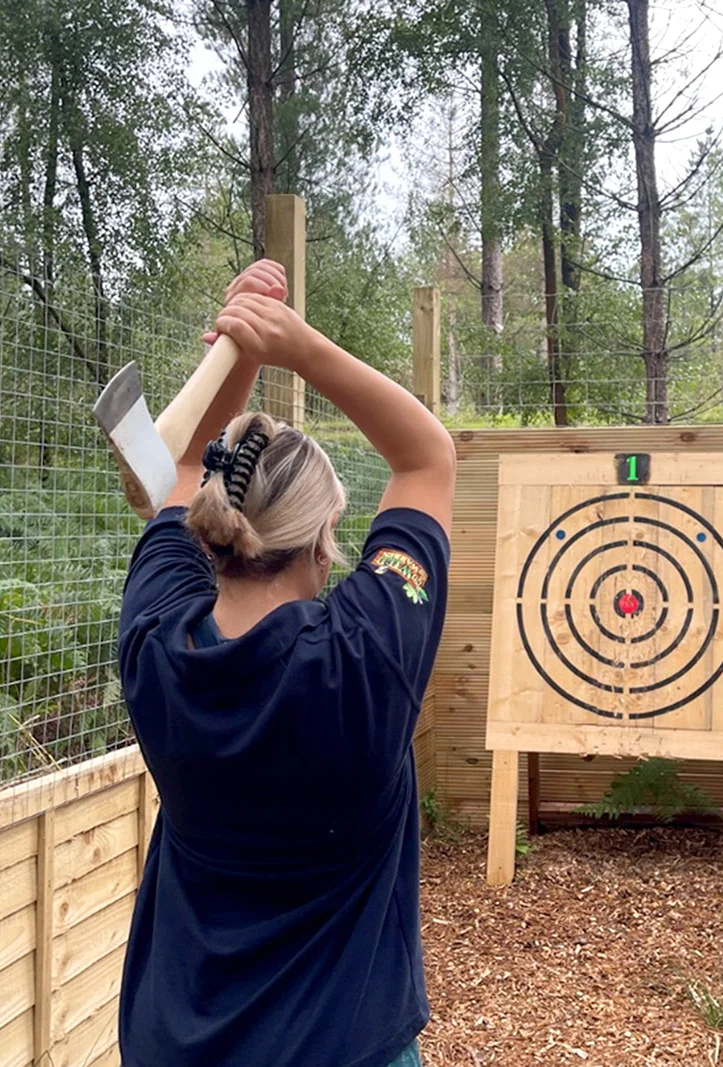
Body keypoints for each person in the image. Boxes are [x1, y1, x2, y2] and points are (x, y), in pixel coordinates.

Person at [116, 259, 455, 1067]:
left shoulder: (157, 640)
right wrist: (291, 344)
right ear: (327, 536)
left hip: (177, 1045)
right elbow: (427, 459)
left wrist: (245, 348)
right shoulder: (364, 660)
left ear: (212, 532)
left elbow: (178, 472)